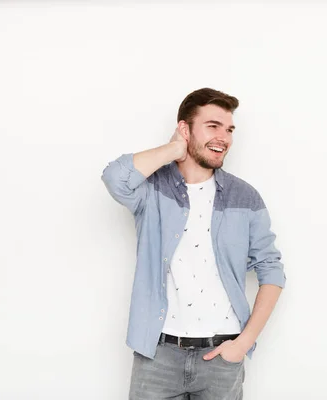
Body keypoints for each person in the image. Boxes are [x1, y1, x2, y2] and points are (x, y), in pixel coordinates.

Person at [101, 88, 286, 400]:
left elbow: (272, 272)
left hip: (221, 357)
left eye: (229, 130)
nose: (224, 138)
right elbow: (115, 177)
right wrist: (173, 149)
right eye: (213, 126)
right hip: (156, 355)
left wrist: (242, 345)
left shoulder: (245, 197)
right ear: (185, 129)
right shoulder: (153, 190)